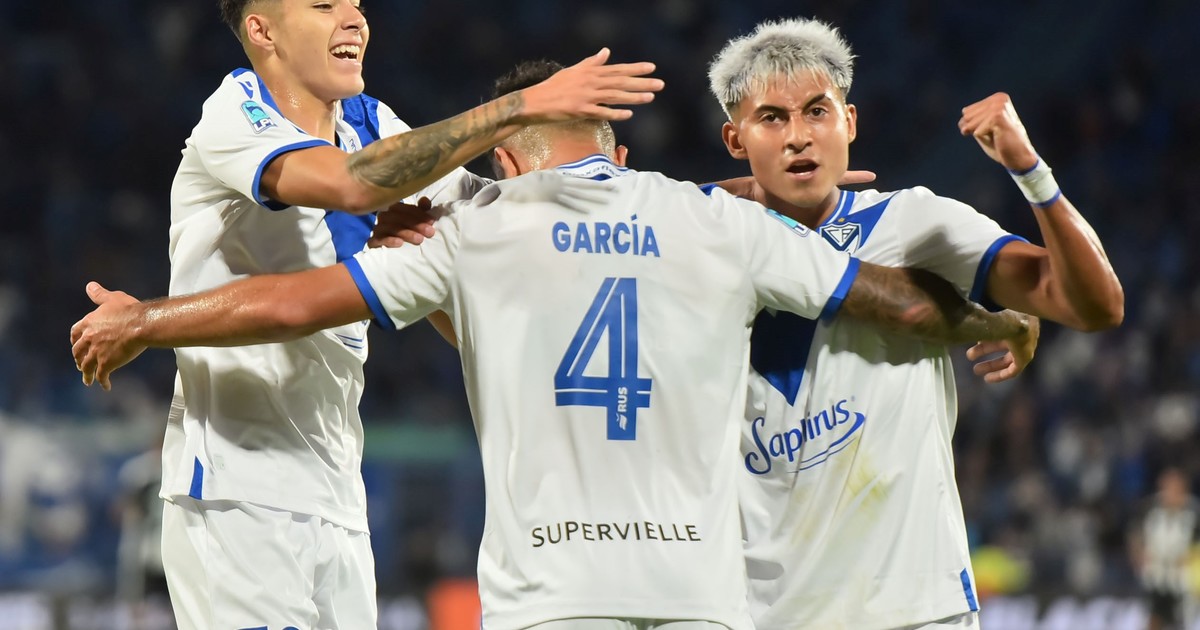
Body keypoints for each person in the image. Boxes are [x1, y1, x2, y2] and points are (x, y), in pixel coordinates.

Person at [73, 60, 1036, 630]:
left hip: (551, 591)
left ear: (500, 161)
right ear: (621, 151)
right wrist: (1000, 319)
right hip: (703, 592)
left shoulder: (484, 232)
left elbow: (295, 304)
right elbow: (896, 302)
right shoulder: (711, 222)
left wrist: (144, 320)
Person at [146, 0, 665, 626]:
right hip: (236, 483)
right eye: (324, 4)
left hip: (336, 486)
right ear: (262, 30)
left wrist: (704, 206)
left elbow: (487, 219)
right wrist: (518, 108)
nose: (353, 18)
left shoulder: (369, 123)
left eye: (357, 4)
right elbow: (351, 184)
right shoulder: (235, 113)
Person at [706, 18, 1124, 630]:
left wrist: (1031, 170)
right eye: (771, 118)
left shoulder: (911, 223)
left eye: (818, 111)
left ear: (850, 122)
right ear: (735, 138)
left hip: (919, 609)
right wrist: (720, 195)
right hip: (765, 614)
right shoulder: (701, 239)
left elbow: (1096, 305)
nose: (799, 137)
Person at [1129, 468, 1200, 630]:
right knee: (1152, 619)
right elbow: (1135, 533)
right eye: (1166, 487)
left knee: (1182, 621)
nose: (1169, 493)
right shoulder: (1149, 508)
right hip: (1154, 575)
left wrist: (1191, 558)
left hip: (1182, 579)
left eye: (1174, 488)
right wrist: (1137, 553)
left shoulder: (1194, 512)